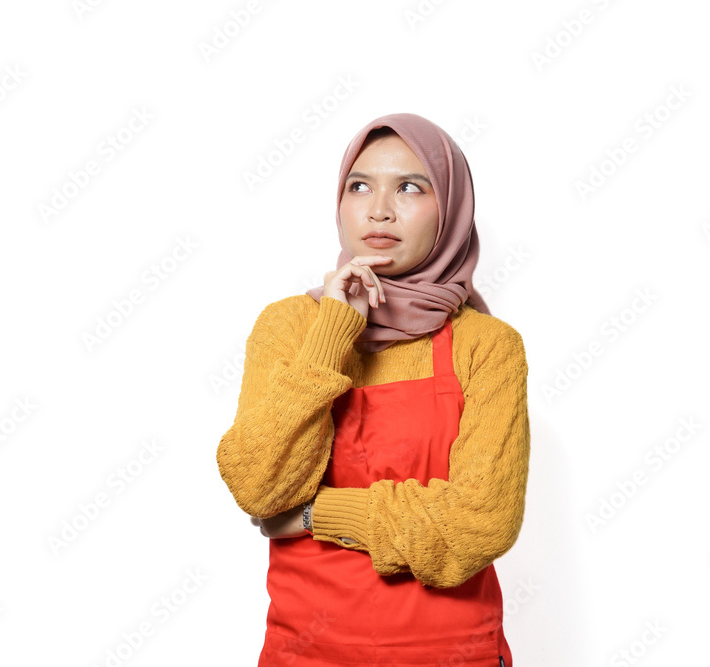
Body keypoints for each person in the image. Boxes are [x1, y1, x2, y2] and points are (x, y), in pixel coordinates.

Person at [216, 112, 530, 666]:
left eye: (410, 186)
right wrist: (334, 332)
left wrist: (316, 516)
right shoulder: (289, 326)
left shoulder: (487, 346)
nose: (379, 208)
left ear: (452, 209)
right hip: (304, 654)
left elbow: (479, 525)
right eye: (359, 186)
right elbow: (261, 489)